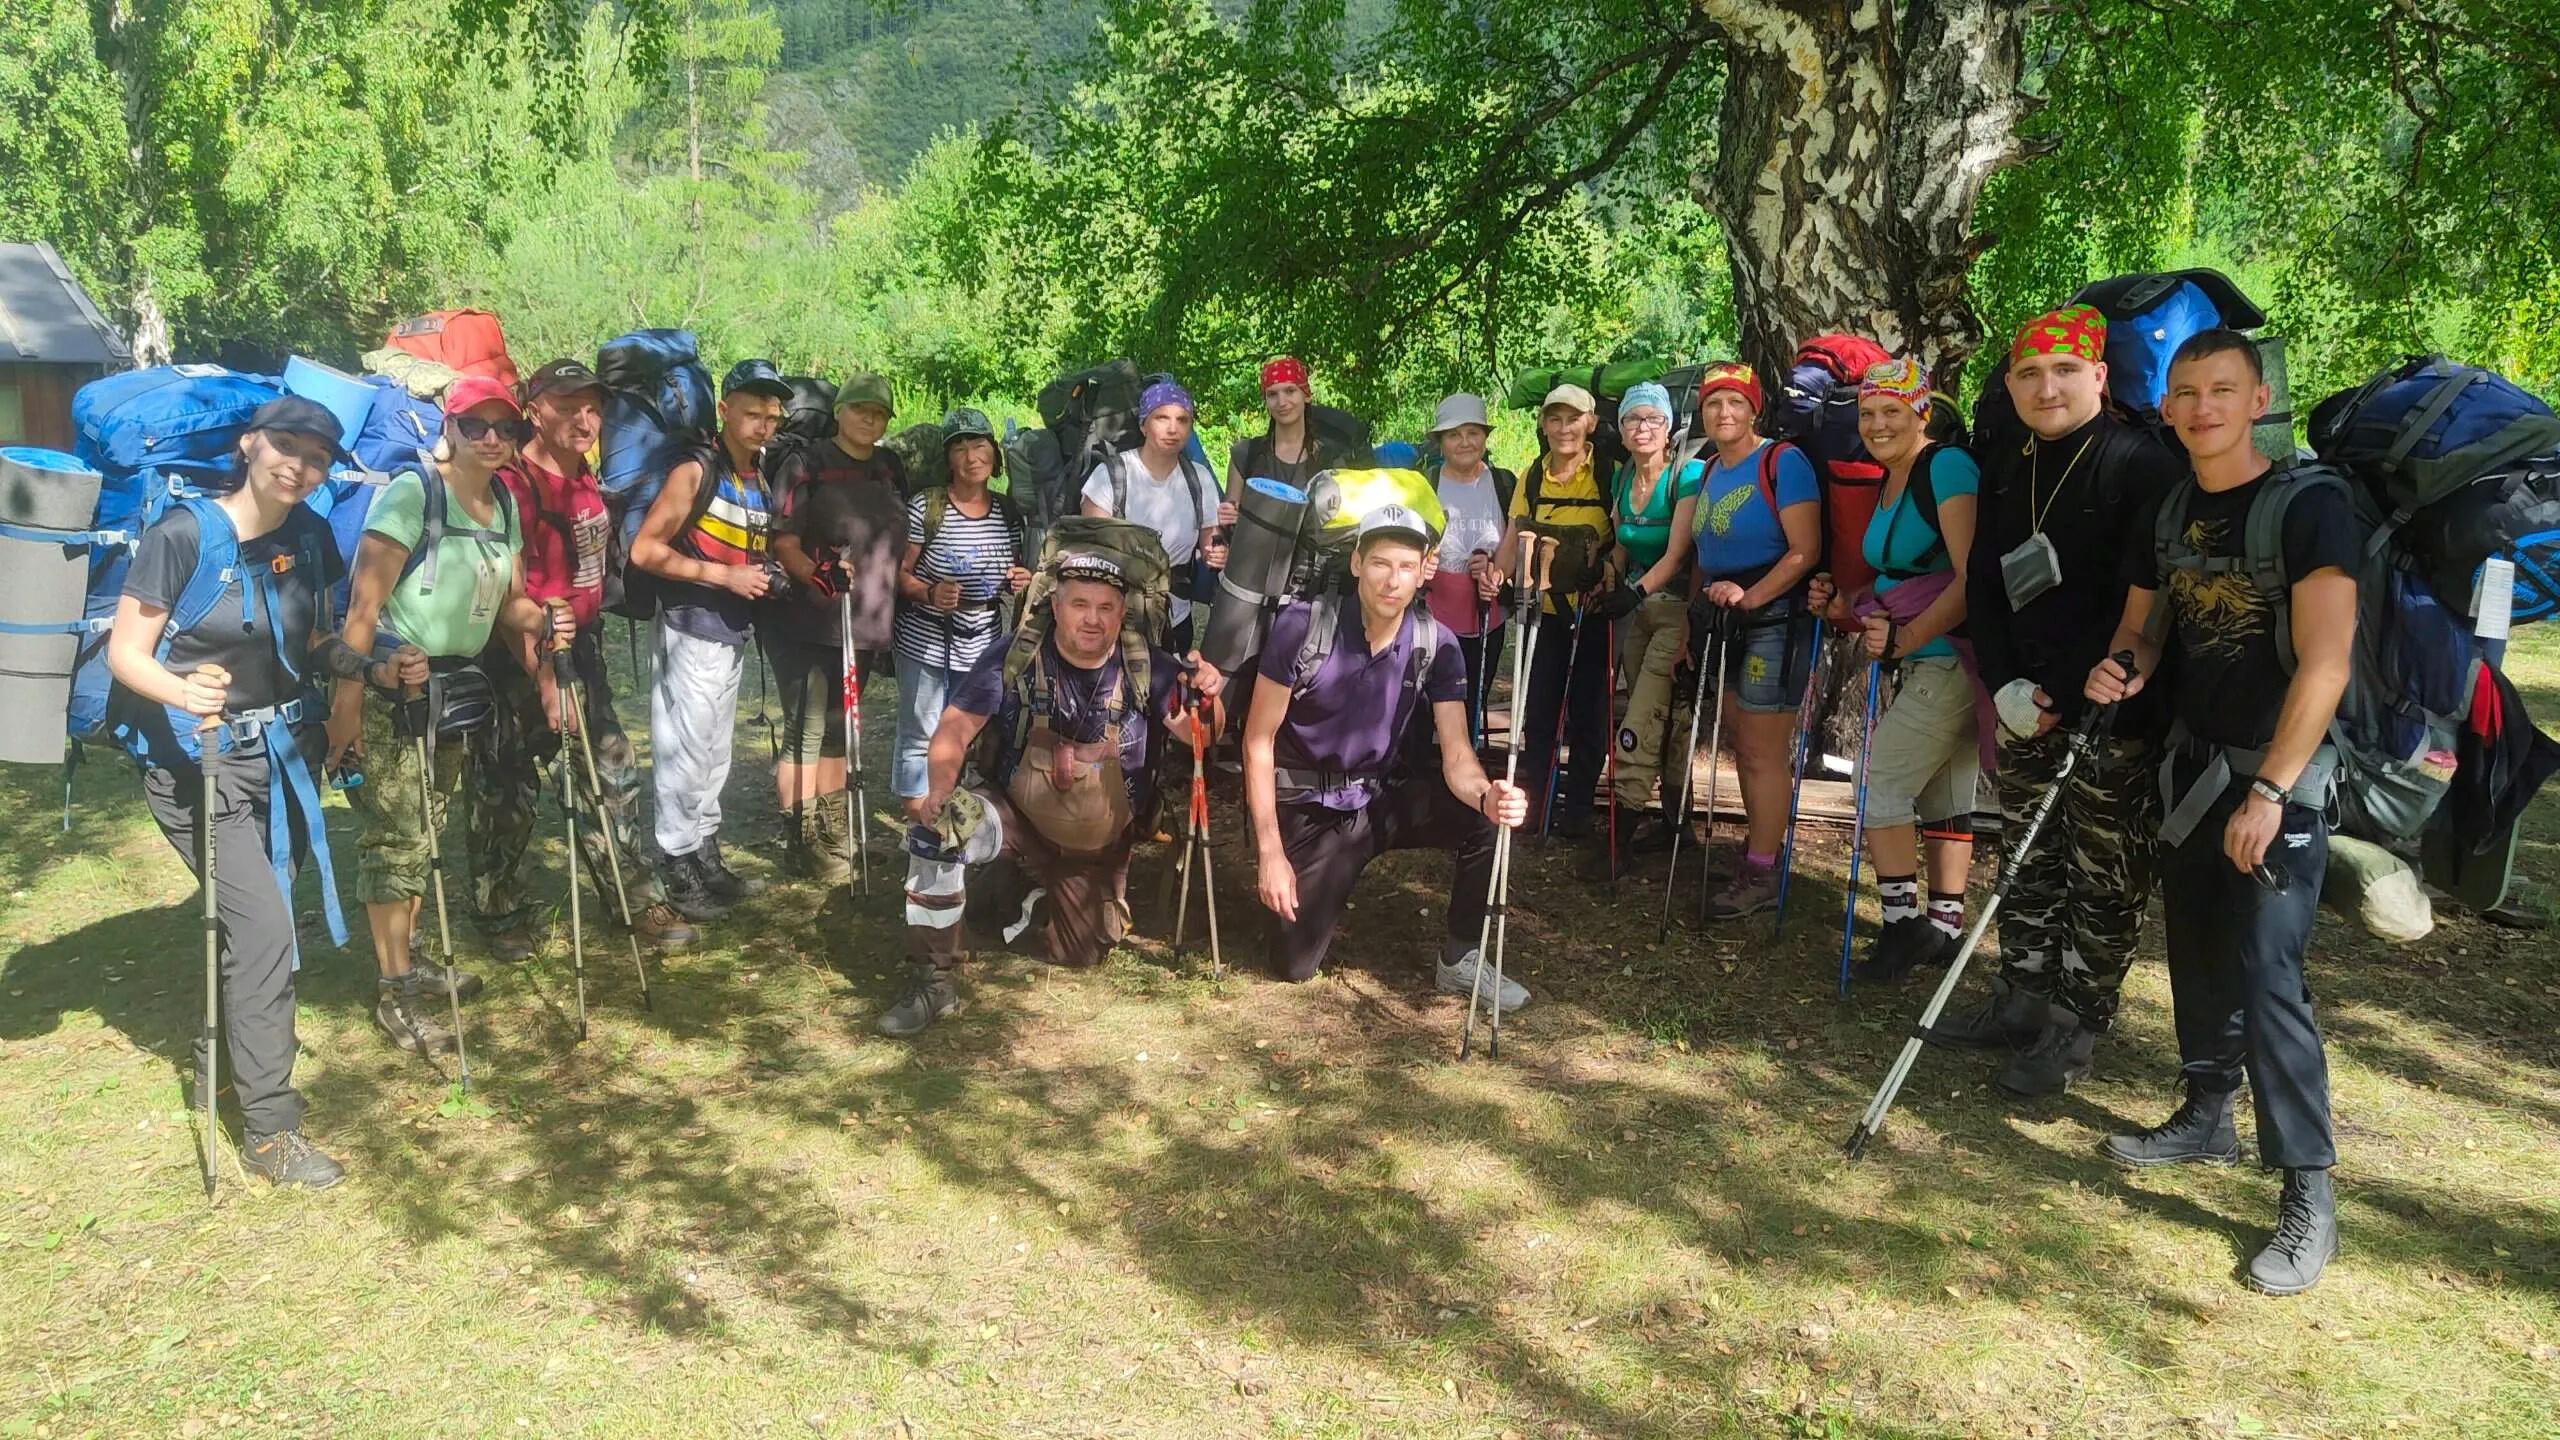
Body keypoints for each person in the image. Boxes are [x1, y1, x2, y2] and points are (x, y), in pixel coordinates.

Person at [2086, 329, 2352, 1297]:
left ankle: (2308, 1191)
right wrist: (2124, 665)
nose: (2203, 409)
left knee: (2269, 974)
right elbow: (2143, 625)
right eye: (2187, 393)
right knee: (2197, 944)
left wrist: (2271, 792)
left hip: (2281, 778)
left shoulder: (2309, 507)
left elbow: (2326, 663)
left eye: (2223, 391)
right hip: (2191, 769)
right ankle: (2206, 1116)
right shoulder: (2170, 509)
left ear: (2256, 402)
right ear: (2166, 406)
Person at [104, 396, 356, 1186]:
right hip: (196, 767)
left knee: (255, 927)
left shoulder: (310, 535)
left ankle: (225, 1069)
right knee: (267, 929)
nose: (299, 466)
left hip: (284, 759)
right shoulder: (183, 535)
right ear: (249, 444)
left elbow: (315, 639)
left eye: (317, 457)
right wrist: (184, 693)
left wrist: (374, 664)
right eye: (286, 446)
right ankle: (271, 1131)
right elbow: (126, 652)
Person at [1935, 306, 2183, 1095]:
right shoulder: (2008, 462)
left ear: (2099, 376)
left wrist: (2062, 690)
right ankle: (2021, 998)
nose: (2047, 388)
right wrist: (2005, 682)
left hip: (2111, 707)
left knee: (2101, 874)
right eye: (2030, 373)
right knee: (2027, 858)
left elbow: (2138, 604)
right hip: (2022, 700)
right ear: (2010, 385)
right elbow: (1984, 582)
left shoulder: (2140, 465)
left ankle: (2075, 1028)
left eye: (2066, 370)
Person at [887, 542, 1224, 1037]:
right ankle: (932, 981)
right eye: (1080, 604)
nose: (1092, 619)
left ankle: (1013, 892)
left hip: (1098, 839)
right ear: (1056, 605)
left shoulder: (1147, 665)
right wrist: (940, 791)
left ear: (1122, 613)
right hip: (1015, 815)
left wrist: (1208, 695)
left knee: (1081, 951)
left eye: (1106, 607)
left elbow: (1201, 736)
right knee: (939, 831)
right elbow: (953, 730)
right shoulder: (1015, 655)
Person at [329, 377, 567, 1057]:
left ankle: (408, 960)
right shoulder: (414, 494)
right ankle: (395, 991)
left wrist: (545, 617)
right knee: (397, 839)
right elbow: (362, 610)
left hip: (453, 688)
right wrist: (346, 710)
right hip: (392, 688)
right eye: (475, 425)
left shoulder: (501, 504)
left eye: (505, 428)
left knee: (426, 828)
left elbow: (510, 604)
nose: (491, 439)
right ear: (450, 430)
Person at [1243, 506, 1533, 992]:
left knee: (1486, 820)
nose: (1392, 581)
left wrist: (1487, 796)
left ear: (1424, 572)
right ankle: (1314, 882)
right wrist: (1270, 852)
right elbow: (1258, 741)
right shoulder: (1303, 627)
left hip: (1377, 798)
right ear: (1357, 563)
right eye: (1380, 563)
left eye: (1405, 566)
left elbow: (1457, 755)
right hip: (1307, 806)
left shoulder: (1437, 642)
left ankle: (1462, 957)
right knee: (1294, 966)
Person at [466, 359, 695, 957]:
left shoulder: (582, 473)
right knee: (507, 786)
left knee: (610, 770)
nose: (584, 420)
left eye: (593, 409)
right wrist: (544, 676)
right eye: (567, 407)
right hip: (518, 654)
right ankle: (500, 912)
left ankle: (633, 899)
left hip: (580, 644)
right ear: (534, 410)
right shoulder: (512, 487)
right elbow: (509, 596)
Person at [1827, 359, 1987, 980]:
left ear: (1922, 412)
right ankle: (1943, 931)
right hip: (1927, 658)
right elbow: (1905, 571)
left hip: (1951, 658)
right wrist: (1848, 602)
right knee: (1944, 793)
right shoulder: (1894, 476)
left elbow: (1972, 576)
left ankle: (1901, 928)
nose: (1877, 424)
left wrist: (1907, 637)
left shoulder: (1946, 467)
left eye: (1892, 411)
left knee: (1878, 783)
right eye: (1867, 413)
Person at [631, 358, 793, 918]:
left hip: (730, 630)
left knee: (714, 752)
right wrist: (725, 577)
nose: (763, 426)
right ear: (724, 411)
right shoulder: (695, 472)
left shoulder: (756, 474)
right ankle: (678, 867)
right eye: (752, 414)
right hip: (690, 626)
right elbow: (645, 549)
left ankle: (705, 853)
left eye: (771, 417)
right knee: (684, 751)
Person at [1678, 363, 1822, 911]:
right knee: (1743, 741)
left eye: (1736, 402)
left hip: (1775, 618)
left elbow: (1804, 550)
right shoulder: (1710, 469)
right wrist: (1695, 617)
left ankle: (1762, 873)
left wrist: (1751, 597)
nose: (1724, 412)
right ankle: (1760, 850)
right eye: (1714, 403)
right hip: (1726, 617)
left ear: (1754, 409)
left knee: (1763, 750)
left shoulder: (1783, 462)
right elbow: (1703, 553)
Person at [767, 370, 907, 884]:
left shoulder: (888, 469)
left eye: (879, 413)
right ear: (840, 411)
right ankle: (801, 837)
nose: (869, 419)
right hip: (807, 618)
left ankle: (832, 829)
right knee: (805, 731)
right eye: (860, 409)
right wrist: (817, 573)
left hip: (864, 621)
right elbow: (784, 542)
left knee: (838, 729)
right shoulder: (806, 463)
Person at [1585, 381, 1704, 878]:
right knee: (1663, 714)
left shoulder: (1687, 475)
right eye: (1633, 419)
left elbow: (1678, 552)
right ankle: (1678, 825)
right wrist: (1609, 576)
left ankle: (1620, 836)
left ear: (1669, 426)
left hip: (1677, 609)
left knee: (1642, 718)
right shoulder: (1624, 477)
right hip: (1640, 609)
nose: (1642, 428)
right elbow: (1623, 543)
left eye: (1653, 419)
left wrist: (1632, 593)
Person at [1489, 384, 1617, 836]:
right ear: (1543, 425)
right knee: (1540, 712)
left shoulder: (1608, 474)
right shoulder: (1532, 476)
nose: (1564, 428)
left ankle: (1576, 810)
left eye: (1574, 419)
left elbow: (1622, 539)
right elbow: (1513, 537)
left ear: (1591, 423)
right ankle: (1538, 805)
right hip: (1541, 613)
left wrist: (1609, 574)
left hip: (1592, 612)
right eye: (1555, 419)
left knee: (1588, 714)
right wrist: (1496, 577)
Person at [891, 408, 1032, 810]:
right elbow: (899, 572)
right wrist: (928, 592)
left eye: (980, 445)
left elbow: (1011, 567)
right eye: (960, 448)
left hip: (983, 639)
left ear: (994, 453)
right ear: (947, 459)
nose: (972, 457)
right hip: (925, 638)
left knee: (967, 730)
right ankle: (918, 818)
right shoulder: (927, 507)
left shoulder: (1007, 512)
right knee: (921, 731)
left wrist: (1017, 579)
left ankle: (953, 811)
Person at [1081, 379, 1230, 650]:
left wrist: (1217, 553)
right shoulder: (1111, 475)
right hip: (1116, 615)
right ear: (1143, 425)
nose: (1173, 428)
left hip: (1176, 615)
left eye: (1182, 420)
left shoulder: (1199, 478)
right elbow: (1092, 549)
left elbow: (1211, 540)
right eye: (1162, 418)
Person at [1419, 394, 1515, 732]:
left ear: (1485, 437)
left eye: (1473, 433)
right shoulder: (1426, 483)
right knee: (1426, 704)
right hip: (1433, 614)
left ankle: (1464, 762)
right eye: (1453, 435)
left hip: (1487, 614)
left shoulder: (1504, 484)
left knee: (1473, 699)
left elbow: (1516, 544)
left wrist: (1495, 570)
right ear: (1440, 441)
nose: (1464, 442)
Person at [1229, 355, 1374, 491]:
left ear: (1307, 396)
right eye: (1272, 394)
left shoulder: (1333, 456)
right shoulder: (1246, 455)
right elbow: (1231, 508)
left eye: (1290, 391)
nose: (1281, 402)